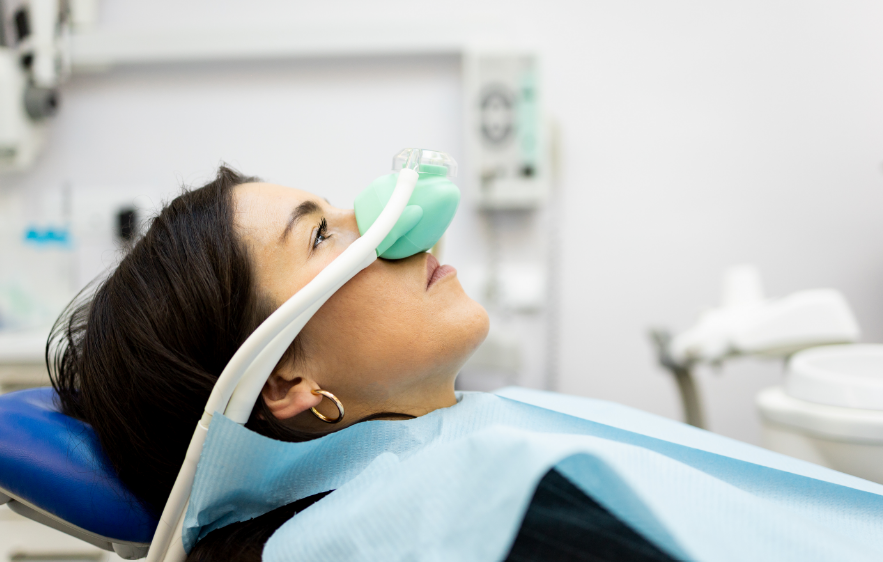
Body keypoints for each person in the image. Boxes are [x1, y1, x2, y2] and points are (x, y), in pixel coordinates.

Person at [48, 167, 677, 561]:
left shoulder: (470, 463)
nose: (393, 225)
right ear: (287, 380)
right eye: (321, 235)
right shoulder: (463, 523)